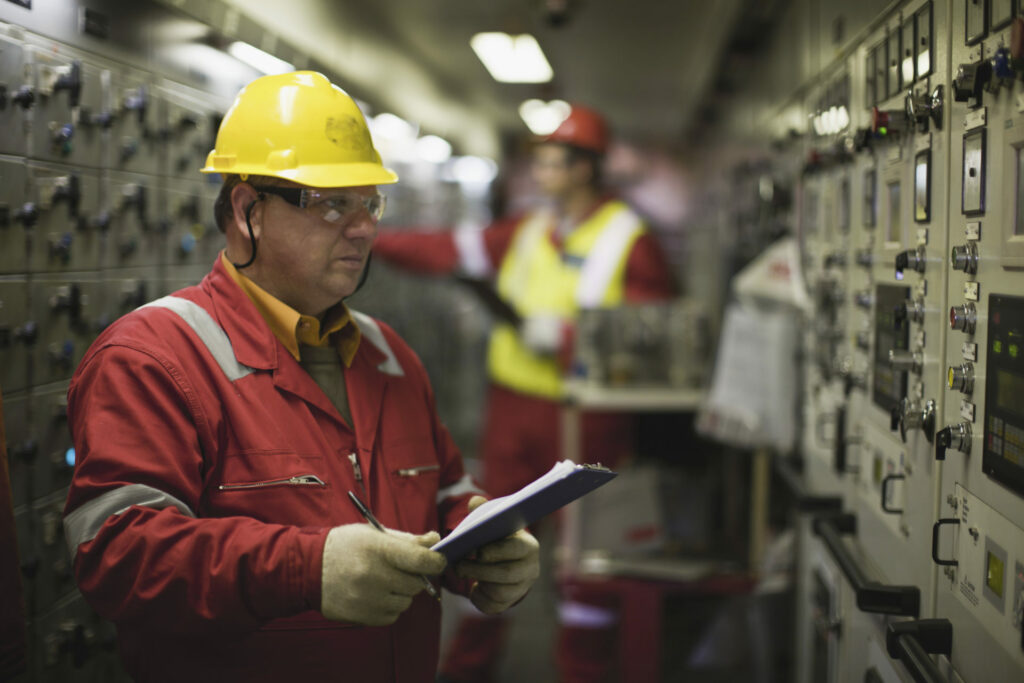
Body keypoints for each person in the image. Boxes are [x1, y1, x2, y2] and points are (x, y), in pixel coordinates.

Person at [60, 71, 539, 683]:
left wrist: (484, 549)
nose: (364, 227)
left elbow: (444, 494)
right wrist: (304, 570)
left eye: (369, 203)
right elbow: (118, 553)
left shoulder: (387, 355)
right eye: (331, 202)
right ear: (246, 210)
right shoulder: (154, 358)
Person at [373, 105, 676, 682]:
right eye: (537, 162)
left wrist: (563, 338)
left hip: (589, 419)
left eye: (552, 162)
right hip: (512, 412)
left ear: (586, 168)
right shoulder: (528, 230)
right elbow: (445, 250)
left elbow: (649, 338)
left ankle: (582, 672)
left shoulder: (631, 239)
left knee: (585, 564)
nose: (540, 174)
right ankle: (468, 669)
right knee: (489, 543)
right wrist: (367, 237)